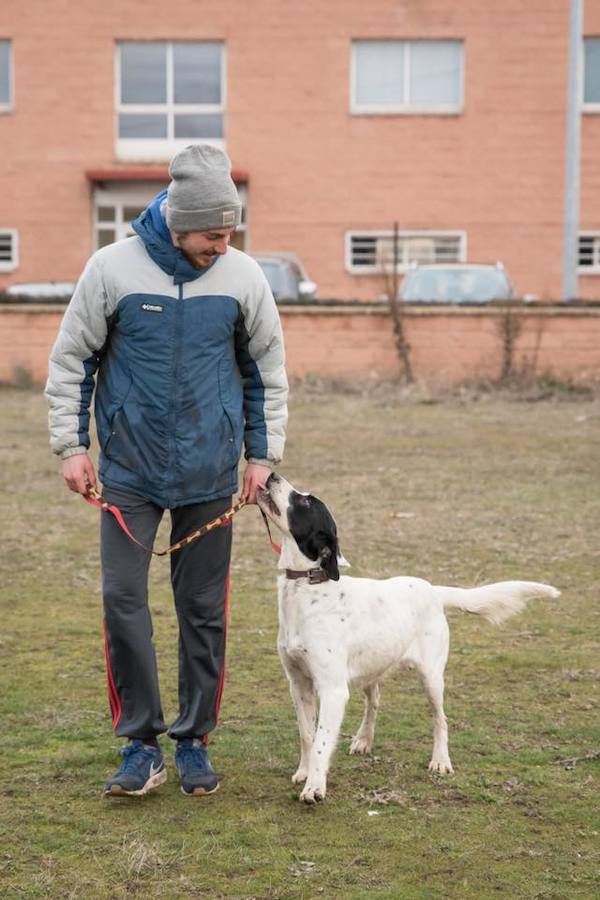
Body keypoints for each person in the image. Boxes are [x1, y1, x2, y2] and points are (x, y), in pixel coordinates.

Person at [45, 144, 288, 798]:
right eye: (213, 233)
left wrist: (261, 458)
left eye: (231, 231)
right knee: (123, 603)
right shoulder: (110, 269)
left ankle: (194, 741)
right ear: (179, 223)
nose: (223, 244)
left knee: (203, 611)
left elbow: (266, 372)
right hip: (128, 472)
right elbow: (73, 361)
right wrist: (71, 446)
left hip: (211, 475)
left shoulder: (243, 277)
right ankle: (140, 744)